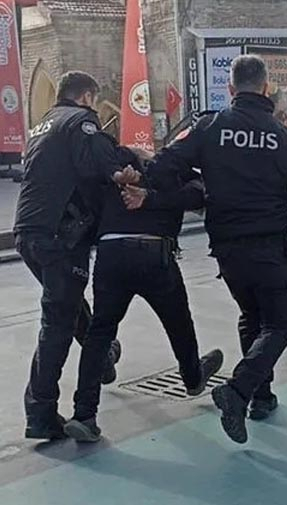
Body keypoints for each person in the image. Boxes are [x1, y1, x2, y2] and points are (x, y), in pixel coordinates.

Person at [132, 55, 287, 444]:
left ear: (231, 89)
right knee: (280, 324)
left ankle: (261, 397)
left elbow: (162, 166)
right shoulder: (284, 136)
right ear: (266, 87)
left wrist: (199, 187)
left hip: (227, 248)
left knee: (252, 316)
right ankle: (237, 391)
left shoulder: (209, 127)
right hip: (273, 245)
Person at [13, 71, 138, 440]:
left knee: (66, 302)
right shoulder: (82, 121)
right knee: (57, 323)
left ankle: (104, 357)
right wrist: (122, 172)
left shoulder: (43, 124)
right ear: (86, 97)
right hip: (61, 236)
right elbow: (94, 167)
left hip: (29, 231)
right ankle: (40, 413)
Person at [62, 167, 225, 442]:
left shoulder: (112, 169)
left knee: (99, 333)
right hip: (154, 253)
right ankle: (193, 377)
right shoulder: (176, 170)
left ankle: (84, 414)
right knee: (179, 322)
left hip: (111, 252)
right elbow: (199, 197)